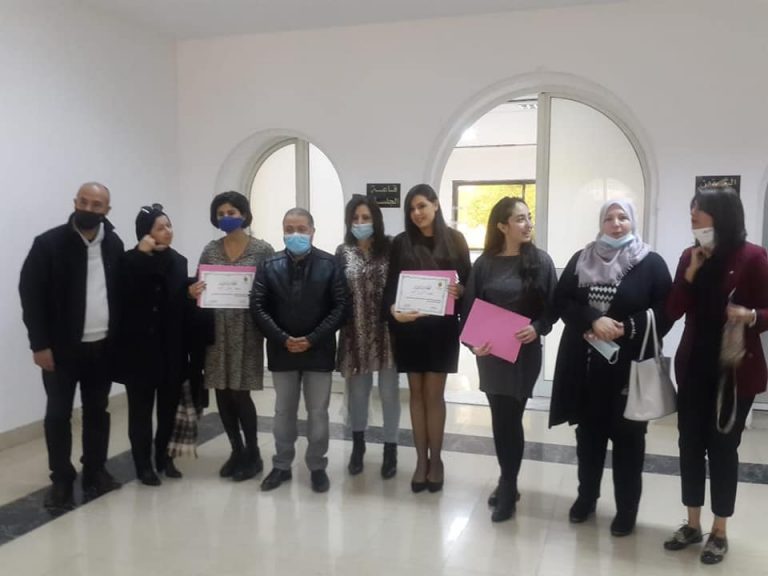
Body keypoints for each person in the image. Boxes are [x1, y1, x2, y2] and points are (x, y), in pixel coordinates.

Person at [550, 198, 671, 536]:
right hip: (587, 369)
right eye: (609, 218)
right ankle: (586, 498)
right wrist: (593, 319)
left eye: (622, 218)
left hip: (628, 373)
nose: (616, 224)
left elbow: (666, 312)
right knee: (588, 440)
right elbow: (562, 300)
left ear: (632, 221)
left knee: (629, 443)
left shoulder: (651, 263)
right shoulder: (582, 258)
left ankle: (626, 510)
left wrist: (625, 328)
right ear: (601, 223)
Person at [664, 187, 768, 564]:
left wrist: (750, 316)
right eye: (692, 209)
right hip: (694, 368)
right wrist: (690, 274)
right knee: (689, 445)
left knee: (723, 449)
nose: (693, 215)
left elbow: (767, 311)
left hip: (734, 372)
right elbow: (672, 310)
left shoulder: (753, 257)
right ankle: (692, 524)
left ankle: (719, 530)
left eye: (700, 210)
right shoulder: (689, 255)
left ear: (722, 215)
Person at [19, 182, 124, 512]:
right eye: (84, 202)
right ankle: (62, 480)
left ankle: (95, 471)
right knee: (57, 415)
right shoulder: (48, 244)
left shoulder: (114, 244)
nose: (89, 209)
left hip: (102, 347)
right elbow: (31, 296)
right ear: (75, 202)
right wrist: (39, 345)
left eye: (97, 205)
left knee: (97, 412)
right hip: (60, 351)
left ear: (107, 210)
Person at [463, 197, 557, 522]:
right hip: (491, 354)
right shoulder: (484, 264)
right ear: (502, 226)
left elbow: (552, 308)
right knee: (499, 418)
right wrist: (473, 344)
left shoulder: (541, 262)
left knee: (511, 419)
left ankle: (508, 485)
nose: (528, 224)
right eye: (520, 219)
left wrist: (537, 328)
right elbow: (469, 308)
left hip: (524, 354)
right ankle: (508, 481)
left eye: (528, 217)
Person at [251, 207, 348, 493]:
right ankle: (281, 465)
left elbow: (341, 307)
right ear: (282, 232)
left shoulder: (330, 264)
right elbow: (258, 306)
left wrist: (312, 338)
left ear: (312, 231)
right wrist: (283, 338)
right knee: (283, 412)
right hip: (282, 352)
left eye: (301, 229)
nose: (295, 234)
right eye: (289, 229)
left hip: (319, 351)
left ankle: (317, 466)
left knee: (318, 414)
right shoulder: (269, 265)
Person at [383, 183, 471, 493]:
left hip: (441, 331)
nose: (417, 213)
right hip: (410, 329)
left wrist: (460, 291)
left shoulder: (455, 240)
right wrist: (393, 311)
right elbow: (391, 288)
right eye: (411, 209)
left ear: (436, 205)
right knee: (416, 396)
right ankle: (421, 461)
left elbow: (469, 284)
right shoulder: (401, 242)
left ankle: (437, 461)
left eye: (421, 206)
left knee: (434, 396)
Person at [188, 191, 274, 481]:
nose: (226, 217)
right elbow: (199, 284)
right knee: (222, 393)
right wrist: (193, 291)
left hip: (247, 331)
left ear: (244, 215)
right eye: (221, 214)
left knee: (241, 393)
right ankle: (236, 450)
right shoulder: (210, 250)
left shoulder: (262, 250)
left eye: (232, 212)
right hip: (216, 331)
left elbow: (273, 287)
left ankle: (253, 452)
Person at [114, 205, 191, 486]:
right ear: (145, 233)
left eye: (169, 225)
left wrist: (190, 293)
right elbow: (124, 295)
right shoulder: (128, 261)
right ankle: (143, 464)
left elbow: (178, 300)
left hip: (171, 348)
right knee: (140, 412)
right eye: (160, 227)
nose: (167, 231)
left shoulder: (179, 261)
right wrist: (141, 255)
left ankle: (164, 457)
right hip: (139, 351)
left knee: (168, 410)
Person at [336, 195, 400, 478]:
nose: (360, 223)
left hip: (387, 332)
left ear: (376, 220)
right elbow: (336, 290)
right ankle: (358, 446)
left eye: (366, 218)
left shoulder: (391, 249)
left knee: (389, 394)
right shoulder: (343, 251)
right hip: (354, 332)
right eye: (355, 218)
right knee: (358, 394)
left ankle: (390, 448)